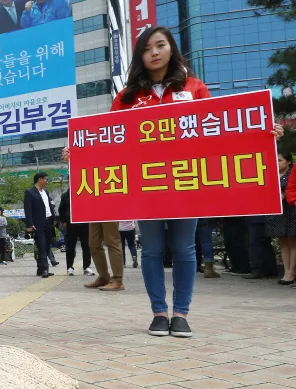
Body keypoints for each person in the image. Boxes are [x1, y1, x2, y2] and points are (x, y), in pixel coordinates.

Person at [63, 26, 283, 337]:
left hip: (186, 182)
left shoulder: (194, 87)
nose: (154, 52)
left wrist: (262, 134)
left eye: (160, 45)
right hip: (147, 186)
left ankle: (181, 313)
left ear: (171, 49)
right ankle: (158, 312)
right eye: (147, 48)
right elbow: (107, 138)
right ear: (140, 55)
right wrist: (79, 150)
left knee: (184, 249)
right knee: (151, 250)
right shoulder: (127, 97)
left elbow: (219, 131)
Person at [266, 151, 296, 285]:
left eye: (280, 160)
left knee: (292, 241)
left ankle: (292, 272)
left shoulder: (292, 173)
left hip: (291, 209)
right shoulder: (272, 173)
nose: (277, 163)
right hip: (278, 211)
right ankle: (286, 271)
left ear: (288, 162)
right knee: (283, 241)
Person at [23, 172, 55, 278]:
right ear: (39, 179)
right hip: (38, 224)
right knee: (41, 246)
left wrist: (54, 219)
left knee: (46, 246)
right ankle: (44, 269)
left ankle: (40, 269)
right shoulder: (30, 192)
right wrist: (30, 224)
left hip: (49, 222)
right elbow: (28, 210)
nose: (47, 181)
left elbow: (50, 206)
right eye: (46, 179)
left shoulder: (45, 191)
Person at [58, 188, 94, 276]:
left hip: (85, 223)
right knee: (70, 247)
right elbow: (61, 209)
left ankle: (87, 267)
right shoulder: (66, 195)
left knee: (86, 246)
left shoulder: (86, 192)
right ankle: (69, 267)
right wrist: (64, 221)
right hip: (71, 224)